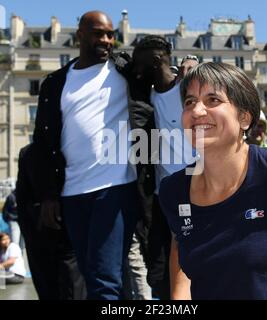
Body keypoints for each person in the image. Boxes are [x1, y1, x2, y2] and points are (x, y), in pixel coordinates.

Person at [32, 10, 153, 300]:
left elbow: (161, 86)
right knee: (91, 275)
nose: (107, 40)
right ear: (80, 36)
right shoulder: (55, 83)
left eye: (111, 34)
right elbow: (43, 142)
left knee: (104, 279)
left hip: (115, 188)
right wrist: (48, 194)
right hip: (72, 192)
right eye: (99, 33)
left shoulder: (126, 71)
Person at [159, 62, 267, 299]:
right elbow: (181, 249)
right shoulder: (173, 191)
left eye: (212, 100)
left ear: (244, 118)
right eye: (189, 101)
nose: (196, 111)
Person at [132, 36, 197, 299]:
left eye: (140, 61)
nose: (136, 67)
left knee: (192, 259)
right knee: (160, 268)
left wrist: (193, 61)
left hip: (193, 189)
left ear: (157, 60)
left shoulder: (189, 88)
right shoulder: (144, 94)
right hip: (160, 196)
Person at [16, 143, 86, 300]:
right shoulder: (28, 153)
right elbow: (22, 199)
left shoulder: (28, 152)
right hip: (49, 236)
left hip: (59, 237)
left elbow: (22, 200)